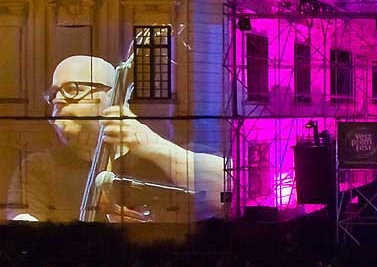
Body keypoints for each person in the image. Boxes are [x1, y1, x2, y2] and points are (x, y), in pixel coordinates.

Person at [9, 55, 224, 222]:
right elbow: (25, 230)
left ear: (113, 97)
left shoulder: (162, 158)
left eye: (72, 89)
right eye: (53, 93)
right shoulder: (37, 167)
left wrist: (155, 146)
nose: (58, 100)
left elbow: (231, 188)